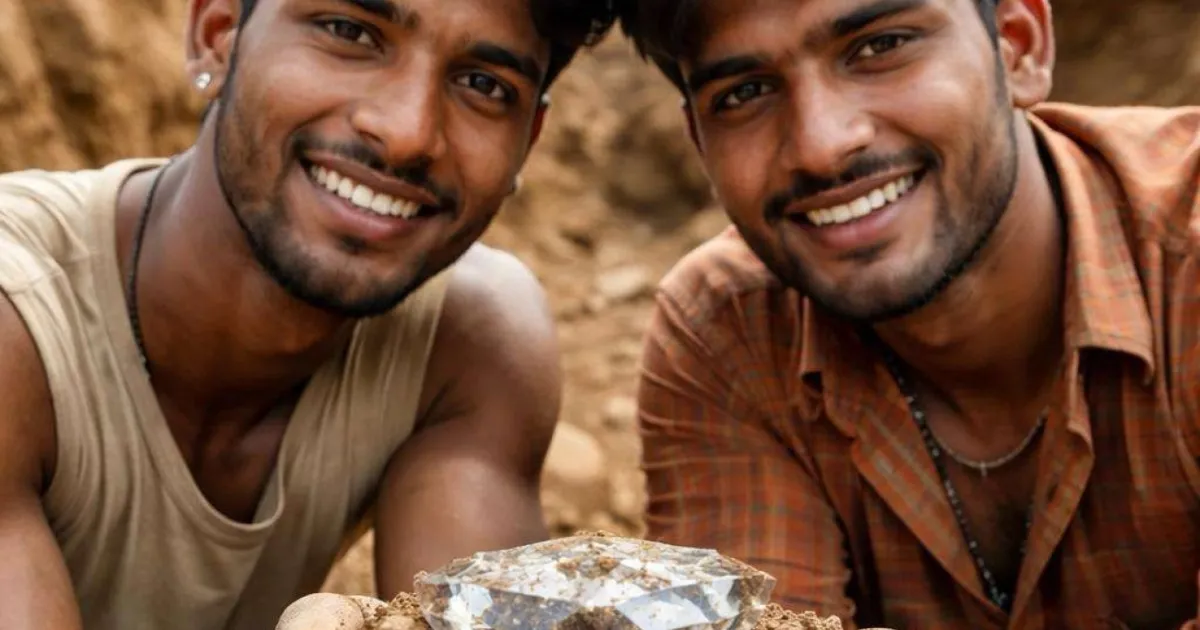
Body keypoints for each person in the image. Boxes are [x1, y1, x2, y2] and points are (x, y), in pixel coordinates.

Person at [0, 0, 617, 628]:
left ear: (527, 143)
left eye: (484, 86)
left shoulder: (466, 345)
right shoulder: (15, 313)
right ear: (218, 35)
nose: (406, 132)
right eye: (349, 33)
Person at [615, 0, 1200, 627]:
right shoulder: (730, 335)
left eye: (880, 46)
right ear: (699, 144)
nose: (821, 146)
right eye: (745, 92)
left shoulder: (1183, 260)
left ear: (1018, 45)